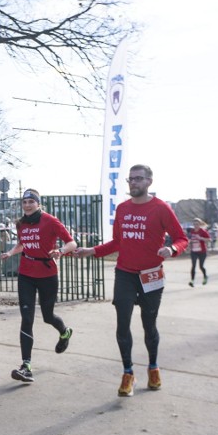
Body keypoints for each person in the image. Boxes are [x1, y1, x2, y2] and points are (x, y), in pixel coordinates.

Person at [74, 164, 188, 396]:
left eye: (138, 179)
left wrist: (172, 249)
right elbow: (117, 242)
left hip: (151, 274)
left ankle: (153, 367)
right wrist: (92, 250)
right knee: (122, 324)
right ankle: (128, 373)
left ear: (149, 182)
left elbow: (181, 238)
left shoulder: (161, 208)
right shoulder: (123, 209)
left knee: (149, 324)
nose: (133, 183)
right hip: (125, 273)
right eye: (130, 179)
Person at [0, 189, 77, 383]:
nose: (27, 205)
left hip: (47, 273)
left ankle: (64, 332)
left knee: (47, 316)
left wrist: (60, 250)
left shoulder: (50, 221)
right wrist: (10, 253)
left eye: (30, 201)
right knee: (27, 318)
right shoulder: (21, 224)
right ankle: (26, 366)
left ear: (38, 204)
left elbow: (72, 243)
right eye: (24, 201)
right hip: (26, 274)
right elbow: (22, 244)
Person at [188, 218, 210, 287]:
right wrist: (189, 244)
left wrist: (201, 238)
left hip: (202, 251)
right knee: (193, 266)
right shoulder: (191, 231)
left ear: (200, 224)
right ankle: (192, 281)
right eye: (194, 224)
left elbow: (209, 239)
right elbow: (189, 240)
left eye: (197, 224)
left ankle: (205, 276)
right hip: (194, 251)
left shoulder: (202, 231)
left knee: (201, 266)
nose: (195, 226)